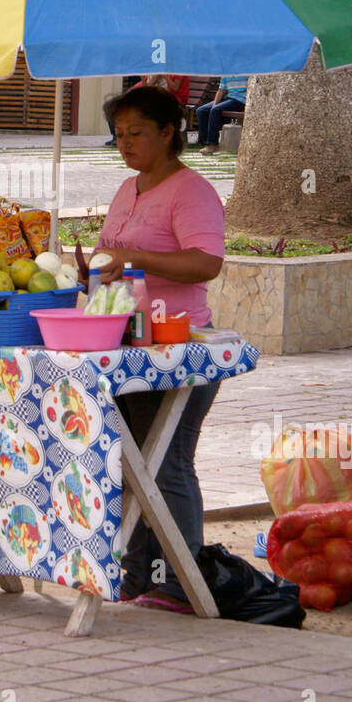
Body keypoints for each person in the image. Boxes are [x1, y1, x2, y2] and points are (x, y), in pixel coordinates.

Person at [93, 83, 226, 612]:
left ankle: (181, 580)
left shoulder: (192, 191)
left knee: (167, 462)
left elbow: (206, 263)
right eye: (119, 134)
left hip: (180, 346)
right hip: (129, 343)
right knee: (130, 464)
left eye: (137, 133)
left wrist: (133, 259)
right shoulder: (129, 189)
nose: (125, 143)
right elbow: (116, 255)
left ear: (169, 132)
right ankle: (138, 573)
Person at [195, 76, 247, 154]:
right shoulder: (226, 72)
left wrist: (214, 108)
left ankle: (212, 144)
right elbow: (221, 91)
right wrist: (214, 105)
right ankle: (206, 143)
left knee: (216, 110)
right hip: (229, 98)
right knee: (201, 111)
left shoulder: (247, 71)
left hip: (241, 100)